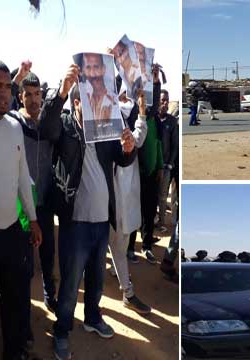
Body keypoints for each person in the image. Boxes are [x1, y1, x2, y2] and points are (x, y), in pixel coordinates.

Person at [41, 68, 137, 359]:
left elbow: (122, 158)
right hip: (75, 221)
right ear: (76, 102)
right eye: (82, 98)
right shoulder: (66, 127)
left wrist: (129, 147)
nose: (89, 103)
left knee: (96, 278)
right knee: (71, 283)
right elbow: (47, 129)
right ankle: (61, 330)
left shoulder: (106, 129)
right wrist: (60, 93)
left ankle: (93, 318)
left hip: (100, 220)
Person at [0, 59, 42, 360]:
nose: (5, 93)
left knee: (16, 304)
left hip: (11, 233)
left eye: (8, 87)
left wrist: (33, 220)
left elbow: (21, 177)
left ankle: (15, 353)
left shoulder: (15, 128)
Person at [7, 70, 61, 316]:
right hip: (21, 203)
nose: (34, 99)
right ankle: (22, 308)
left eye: (37, 94)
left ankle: (50, 292)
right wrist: (16, 75)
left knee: (48, 252)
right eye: (28, 94)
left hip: (45, 199)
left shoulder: (48, 124)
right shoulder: (14, 122)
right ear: (20, 96)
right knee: (24, 259)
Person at [108, 83, 152, 315]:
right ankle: (128, 291)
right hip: (111, 197)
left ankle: (118, 271)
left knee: (121, 241)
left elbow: (138, 139)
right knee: (117, 241)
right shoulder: (102, 124)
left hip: (128, 192)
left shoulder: (122, 119)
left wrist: (142, 111)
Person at [128, 65, 163, 264]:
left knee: (149, 212)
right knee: (134, 211)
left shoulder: (154, 119)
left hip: (151, 173)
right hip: (135, 172)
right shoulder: (133, 118)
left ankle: (147, 245)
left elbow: (158, 143)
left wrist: (156, 81)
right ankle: (130, 248)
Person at [156, 89, 179, 230]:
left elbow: (174, 145)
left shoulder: (171, 121)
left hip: (165, 166)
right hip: (152, 166)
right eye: (162, 100)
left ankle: (162, 222)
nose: (164, 103)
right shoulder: (151, 119)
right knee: (151, 196)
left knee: (163, 196)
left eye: (166, 100)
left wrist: (170, 164)